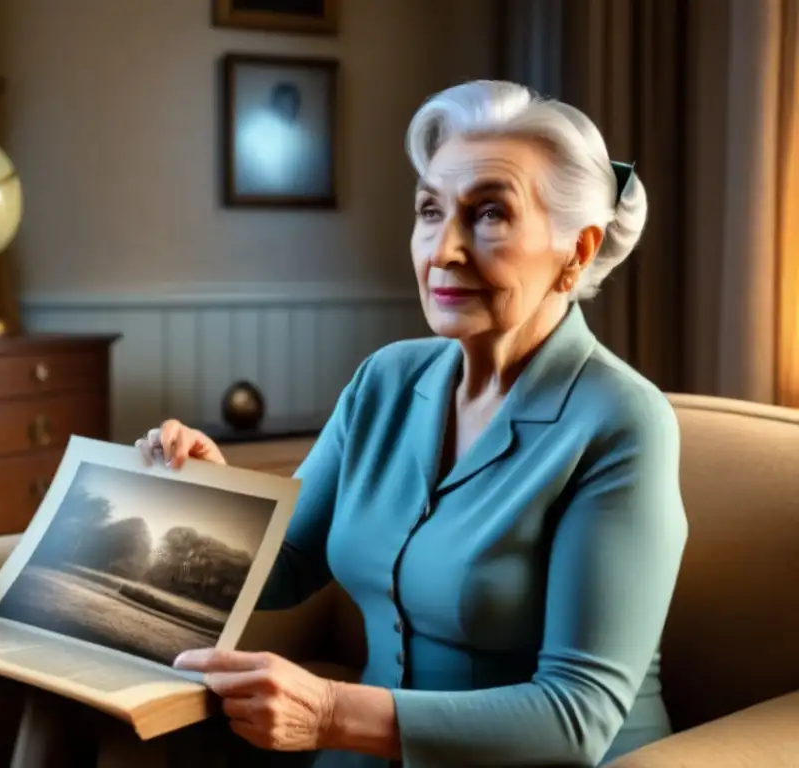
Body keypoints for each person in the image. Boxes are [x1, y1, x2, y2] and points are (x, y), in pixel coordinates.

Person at [136, 80, 688, 767]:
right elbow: (289, 568)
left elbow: (576, 715)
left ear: (577, 251)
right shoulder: (385, 381)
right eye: (431, 210)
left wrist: (330, 711)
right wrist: (206, 491)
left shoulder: (620, 420)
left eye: (489, 214)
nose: (443, 250)